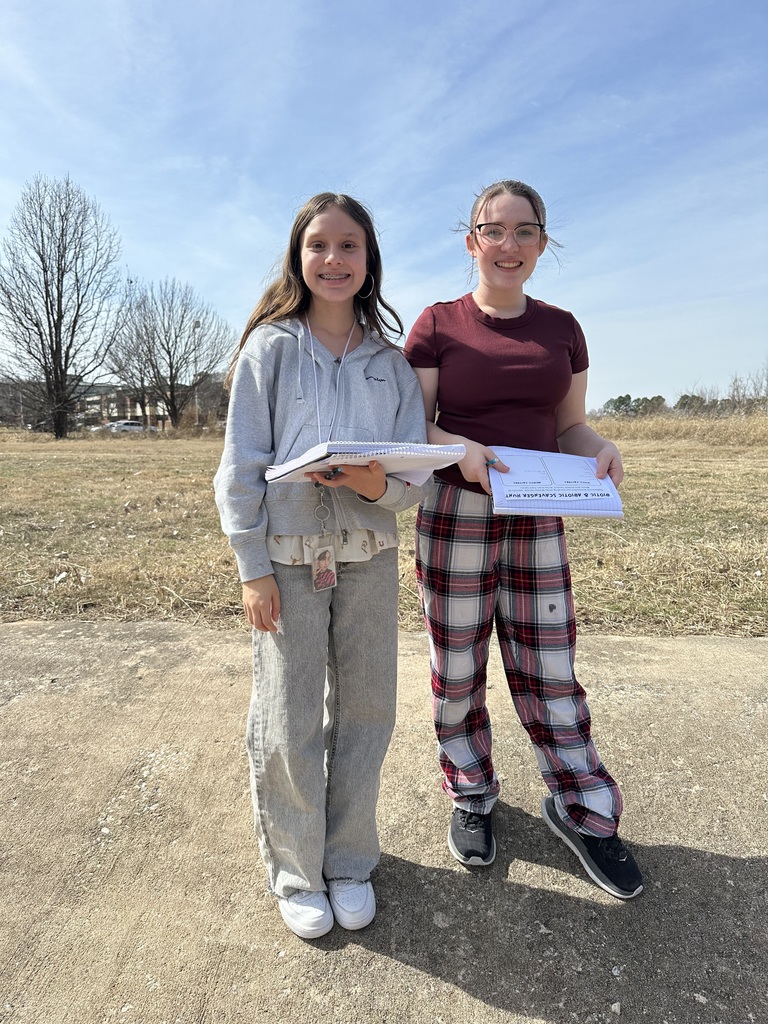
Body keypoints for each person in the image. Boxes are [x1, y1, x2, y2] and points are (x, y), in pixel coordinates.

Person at [403, 179, 643, 900]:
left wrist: (599, 447)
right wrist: (459, 447)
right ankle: (472, 791)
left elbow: (570, 426)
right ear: (471, 240)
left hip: (539, 512)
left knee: (550, 664)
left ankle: (582, 805)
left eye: (525, 231)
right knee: (458, 664)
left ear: (543, 243)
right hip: (456, 512)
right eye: (493, 230)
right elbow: (414, 428)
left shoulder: (562, 328)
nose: (509, 245)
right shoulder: (437, 324)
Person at [214, 193, 429, 938]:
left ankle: (349, 862)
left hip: (369, 561)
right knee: (289, 715)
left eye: (349, 247)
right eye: (319, 246)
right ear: (297, 258)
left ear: (369, 262)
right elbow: (240, 465)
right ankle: (299, 871)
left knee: (368, 713)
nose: (333, 260)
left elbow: (411, 479)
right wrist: (252, 567)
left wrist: (375, 483)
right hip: (289, 562)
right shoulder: (269, 349)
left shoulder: (391, 365)